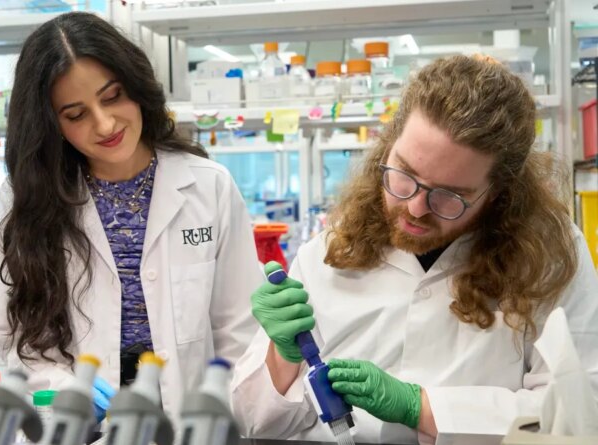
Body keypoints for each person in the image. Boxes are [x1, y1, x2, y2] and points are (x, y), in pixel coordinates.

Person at [231, 55, 598, 444]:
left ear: (499, 194)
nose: (415, 208)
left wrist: (421, 407)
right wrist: (283, 358)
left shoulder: (549, 256)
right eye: (404, 175)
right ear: (387, 147)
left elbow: (580, 412)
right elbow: (253, 421)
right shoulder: (330, 247)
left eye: (450, 196)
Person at [0, 11, 261, 422]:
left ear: (136, 87)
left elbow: (238, 332)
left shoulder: (209, 186)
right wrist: (66, 388)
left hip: (191, 422)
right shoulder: (25, 199)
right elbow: (17, 339)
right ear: (52, 124)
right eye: (76, 115)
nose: (105, 123)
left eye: (113, 96)